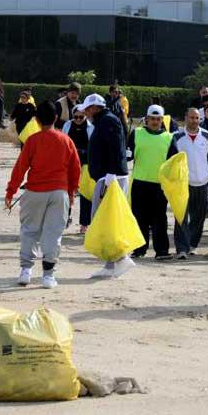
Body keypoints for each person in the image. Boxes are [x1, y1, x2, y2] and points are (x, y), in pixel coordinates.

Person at [5, 101, 80, 289]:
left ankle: (25, 271)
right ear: (56, 118)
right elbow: (75, 170)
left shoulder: (32, 140)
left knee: (30, 230)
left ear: (36, 120)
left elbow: (20, 168)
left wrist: (10, 191)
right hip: (59, 192)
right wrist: (71, 193)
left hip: (35, 192)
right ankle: (48, 275)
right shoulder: (66, 140)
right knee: (53, 234)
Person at [80, 93, 135, 278]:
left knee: (108, 220)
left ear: (95, 107)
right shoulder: (103, 121)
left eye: (87, 109)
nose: (85, 113)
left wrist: (111, 173)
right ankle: (111, 264)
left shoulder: (108, 121)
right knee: (104, 220)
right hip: (106, 177)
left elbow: (116, 148)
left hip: (111, 178)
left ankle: (121, 258)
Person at [128, 104, 179, 260]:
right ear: (147, 119)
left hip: (159, 186)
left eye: (158, 119)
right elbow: (127, 154)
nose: (155, 122)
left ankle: (162, 251)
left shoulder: (169, 137)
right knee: (139, 218)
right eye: (152, 119)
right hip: (139, 183)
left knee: (159, 219)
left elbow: (174, 162)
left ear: (162, 120)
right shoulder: (136, 134)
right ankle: (139, 249)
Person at [173, 108, 208, 259]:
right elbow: (171, 161)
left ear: (200, 119)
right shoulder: (176, 137)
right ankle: (182, 249)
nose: (194, 120)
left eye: (196, 118)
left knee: (198, 217)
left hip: (203, 182)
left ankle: (192, 244)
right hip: (183, 183)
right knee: (181, 217)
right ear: (185, 118)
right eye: (191, 117)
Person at [62, 106, 94, 233]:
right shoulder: (68, 125)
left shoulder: (91, 127)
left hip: (86, 164)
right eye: (76, 117)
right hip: (70, 163)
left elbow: (93, 145)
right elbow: (63, 143)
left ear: (85, 116)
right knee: (67, 192)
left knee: (85, 194)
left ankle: (84, 224)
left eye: (81, 117)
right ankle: (65, 217)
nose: (78, 119)